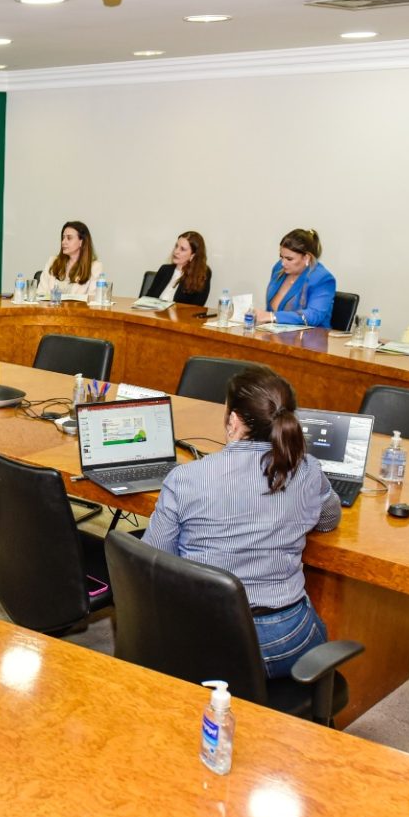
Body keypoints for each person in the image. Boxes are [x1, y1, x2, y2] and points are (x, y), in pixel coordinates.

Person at [143, 365, 340, 678]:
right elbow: (329, 519)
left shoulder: (186, 477)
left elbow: (154, 558)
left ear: (233, 420)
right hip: (286, 640)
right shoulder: (307, 469)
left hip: (205, 636)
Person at [259, 228, 334, 328]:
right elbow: (270, 310)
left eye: (289, 259)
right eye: (281, 257)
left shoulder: (322, 278)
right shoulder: (279, 268)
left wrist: (272, 316)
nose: (283, 263)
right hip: (274, 333)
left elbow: (314, 315)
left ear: (306, 258)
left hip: (311, 336)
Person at [32, 221, 103, 301]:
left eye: (69, 238)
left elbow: (93, 300)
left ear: (81, 242)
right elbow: (40, 294)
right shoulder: (52, 261)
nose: (63, 242)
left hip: (78, 309)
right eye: (63, 238)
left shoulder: (94, 267)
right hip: (51, 308)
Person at [143, 231, 213, 307]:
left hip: (181, 315)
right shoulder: (164, 270)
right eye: (176, 246)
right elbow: (147, 298)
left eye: (182, 249)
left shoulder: (202, 274)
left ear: (193, 255)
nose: (176, 251)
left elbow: (197, 307)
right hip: (154, 313)